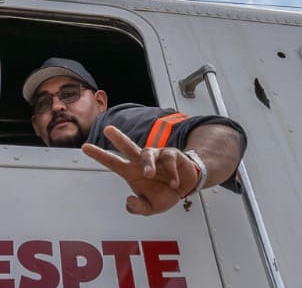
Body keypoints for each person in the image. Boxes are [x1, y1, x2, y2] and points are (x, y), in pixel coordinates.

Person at [22, 57, 246, 216]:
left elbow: (220, 131)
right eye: (43, 103)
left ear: (100, 102)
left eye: (69, 94)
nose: (57, 106)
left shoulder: (117, 124)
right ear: (36, 126)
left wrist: (194, 168)